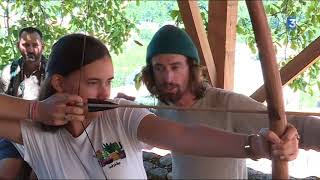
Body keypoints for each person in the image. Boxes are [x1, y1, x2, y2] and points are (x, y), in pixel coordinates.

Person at [0, 33, 298, 179]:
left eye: (109, 81)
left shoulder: (121, 115)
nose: (106, 92)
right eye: (93, 83)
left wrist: (254, 146)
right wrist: (35, 111)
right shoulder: (36, 134)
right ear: (60, 84)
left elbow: (183, 136)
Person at [140, 24, 320, 179]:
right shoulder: (163, 106)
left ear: (191, 68)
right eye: (159, 68)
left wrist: (292, 137)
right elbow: (146, 131)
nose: (168, 77)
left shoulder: (225, 103)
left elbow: (296, 125)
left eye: (175, 67)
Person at [0, 27, 47, 179]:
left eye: (35, 44)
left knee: (40, 175)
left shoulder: (54, 70)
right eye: (26, 45)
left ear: (43, 46)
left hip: (45, 134)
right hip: (15, 134)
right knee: (6, 174)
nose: (31, 49)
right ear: (18, 46)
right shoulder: (9, 71)